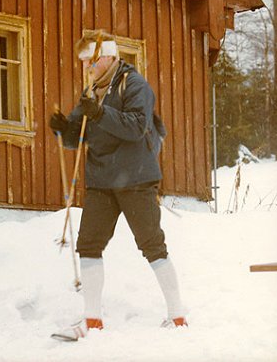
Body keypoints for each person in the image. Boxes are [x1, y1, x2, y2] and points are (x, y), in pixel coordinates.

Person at [49, 31, 187, 341]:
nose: (86, 66)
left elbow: (137, 127)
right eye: (84, 61)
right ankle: (92, 321)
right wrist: (63, 129)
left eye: (91, 60)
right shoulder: (92, 91)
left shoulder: (134, 85)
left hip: (136, 178)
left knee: (152, 245)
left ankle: (177, 316)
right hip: (101, 182)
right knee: (88, 245)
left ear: (109, 57)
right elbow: (77, 137)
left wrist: (100, 112)